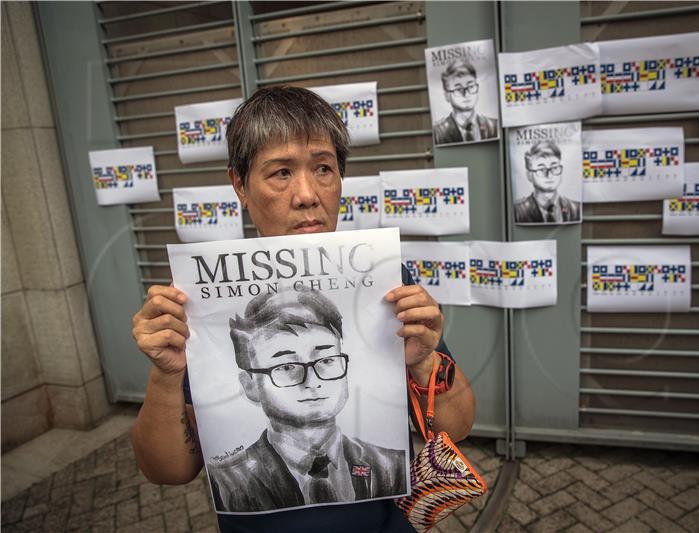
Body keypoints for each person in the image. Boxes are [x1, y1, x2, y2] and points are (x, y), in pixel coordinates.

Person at [130, 86, 475, 532]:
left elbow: (460, 427)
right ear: (240, 184)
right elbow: (167, 471)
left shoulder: (387, 282)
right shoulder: (204, 301)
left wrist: (427, 362)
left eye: (324, 169)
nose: (307, 194)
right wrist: (165, 373)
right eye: (281, 173)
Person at [208, 289, 406, 512]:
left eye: (327, 359)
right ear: (250, 385)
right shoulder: (228, 481)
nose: (312, 382)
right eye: (286, 366)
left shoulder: (391, 465)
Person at [514, 140, 580, 224]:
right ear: (529, 175)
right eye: (542, 169)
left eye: (554, 167)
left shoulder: (576, 209)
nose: (549, 175)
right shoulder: (518, 211)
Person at [433, 58, 498, 145]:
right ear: (447, 96)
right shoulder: (438, 132)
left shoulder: (494, 126)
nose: (466, 93)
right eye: (458, 89)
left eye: (471, 86)